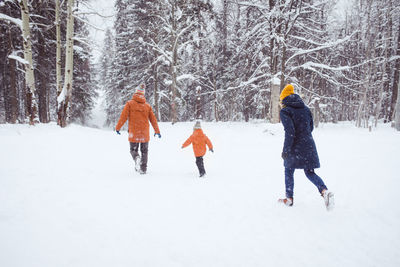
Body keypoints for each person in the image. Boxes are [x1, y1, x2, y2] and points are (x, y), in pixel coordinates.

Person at [278, 84, 334, 210]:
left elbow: (290, 132)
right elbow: (311, 127)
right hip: (308, 144)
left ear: (283, 99)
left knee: (288, 169)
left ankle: (289, 198)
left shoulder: (285, 111)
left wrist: (286, 150)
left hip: (294, 146)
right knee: (309, 172)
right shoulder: (306, 109)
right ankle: (324, 191)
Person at [115, 84, 161, 174]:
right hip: (144, 133)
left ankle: (136, 157)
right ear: (143, 94)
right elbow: (153, 120)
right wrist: (157, 131)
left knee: (133, 150)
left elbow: (123, 117)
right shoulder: (147, 106)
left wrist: (118, 128)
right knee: (144, 151)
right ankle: (143, 169)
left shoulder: (129, 104)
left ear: (135, 92)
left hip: (134, 132)